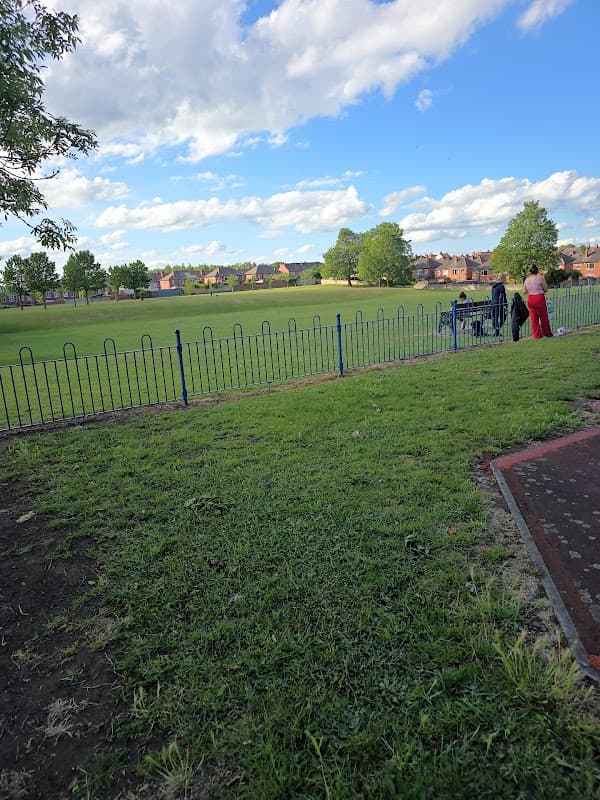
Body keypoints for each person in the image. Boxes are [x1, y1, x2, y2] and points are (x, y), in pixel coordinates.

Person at [522, 265, 553, 339]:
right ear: (537, 271)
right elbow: (546, 289)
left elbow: (524, 291)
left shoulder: (527, 280)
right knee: (543, 317)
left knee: (533, 318)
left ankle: (537, 335)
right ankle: (547, 333)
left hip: (531, 298)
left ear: (530, 272)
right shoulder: (540, 278)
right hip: (539, 298)